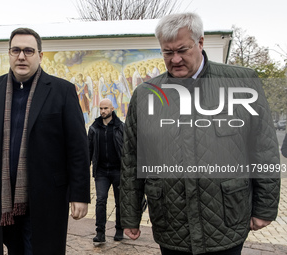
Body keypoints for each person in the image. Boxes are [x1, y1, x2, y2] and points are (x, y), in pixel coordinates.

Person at [119, 13, 280, 255]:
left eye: (182, 50)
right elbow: (132, 160)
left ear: (200, 43)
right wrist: (129, 215)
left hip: (226, 218)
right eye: (167, 52)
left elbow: (264, 148)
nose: (175, 59)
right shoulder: (145, 95)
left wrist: (264, 208)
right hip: (172, 220)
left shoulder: (240, 84)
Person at [0, 27, 90, 255]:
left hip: (46, 196)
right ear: (9, 54)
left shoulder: (62, 91)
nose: (21, 56)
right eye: (16, 50)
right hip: (3, 195)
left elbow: (78, 148)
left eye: (29, 51)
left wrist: (79, 195)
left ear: (40, 56)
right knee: (13, 249)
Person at [88, 98, 124, 244]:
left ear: (112, 109)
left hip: (118, 170)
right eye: (101, 108)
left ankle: (120, 229)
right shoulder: (94, 128)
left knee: (120, 202)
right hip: (101, 171)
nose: (103, 111)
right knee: (100, 200)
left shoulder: (120, 127)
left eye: (106, 108)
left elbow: (128, 149)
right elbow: (88, 150)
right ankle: (100, 232)